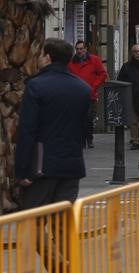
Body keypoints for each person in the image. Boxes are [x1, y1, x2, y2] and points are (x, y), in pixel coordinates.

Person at [15, 38, 91, 210]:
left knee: (34, 220)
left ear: (48, 57)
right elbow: (83, 128)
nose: (38, 58)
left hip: (43, 166)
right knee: (63, 221)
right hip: (72, 165)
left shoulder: (36, 86)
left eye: (41, 54)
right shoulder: (83, 89)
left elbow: (27, 130)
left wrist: (22, 170)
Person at [69, 39, 107, 148]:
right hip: (76, 95)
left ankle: (89, 139)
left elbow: (103, 74)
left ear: (86, 49)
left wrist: (94, 86)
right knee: (78, 118)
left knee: (89, 118)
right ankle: (81, 139)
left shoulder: (94, 60)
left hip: (90, 94)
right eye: (77, 49)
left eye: (81, 49)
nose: (79, 51)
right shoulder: (71, 62)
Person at [117, 43, 139, 150]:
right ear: (132, 53)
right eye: (136, 52)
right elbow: (120, 80)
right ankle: (135, 140)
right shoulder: (127, 66)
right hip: (132, 96)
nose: (138, 54)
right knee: (134, 121)